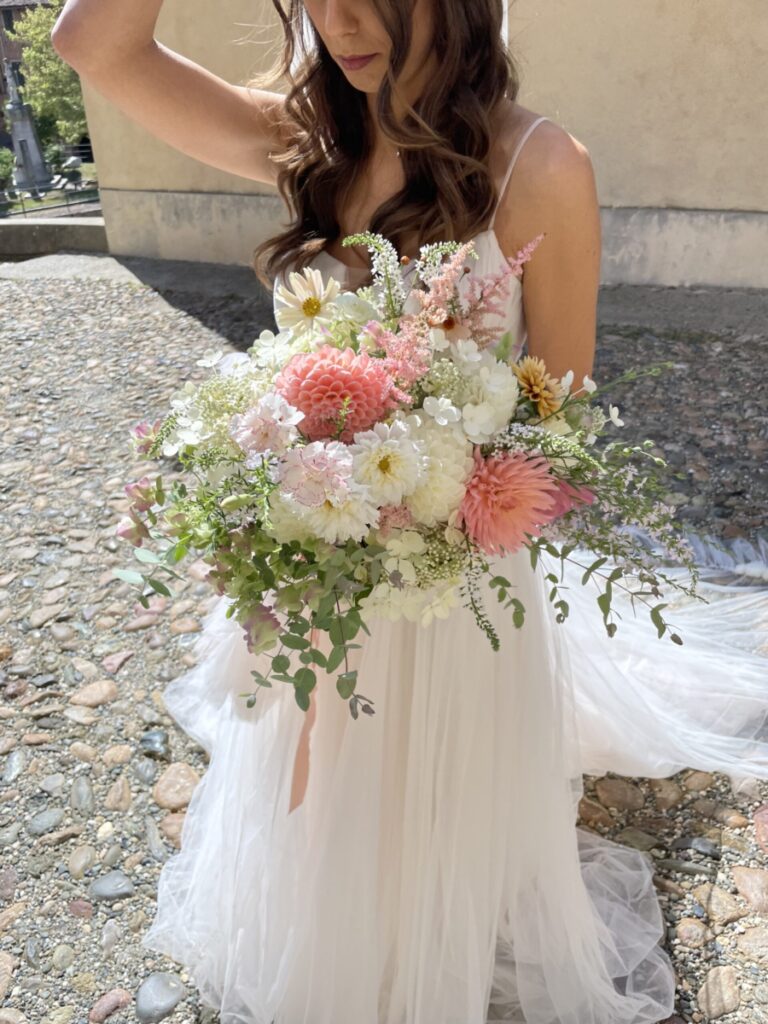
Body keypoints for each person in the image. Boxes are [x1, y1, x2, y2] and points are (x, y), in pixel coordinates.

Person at [53, 2, 768, 1022]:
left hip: (452, 581)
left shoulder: (541, 166)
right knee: (315, 815)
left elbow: (554, 427)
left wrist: (413, 513)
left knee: (427, 836)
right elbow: (92, 45)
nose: (339, 22)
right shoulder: (306, 141)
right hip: (317, 553)